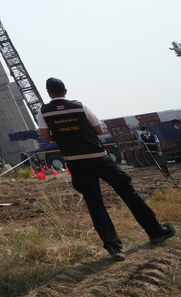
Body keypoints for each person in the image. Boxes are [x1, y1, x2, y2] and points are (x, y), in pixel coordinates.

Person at [38, 78, 175, 262]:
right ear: (65, 91)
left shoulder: (43, 111)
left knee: (95, 203)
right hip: (98, 157)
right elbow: (99, 130)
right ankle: (156, 232)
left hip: (75, 162)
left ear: (48, 93)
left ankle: (114, 248)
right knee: (128, 192)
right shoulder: (81, 107)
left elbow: (46, 136)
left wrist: (65, 136)